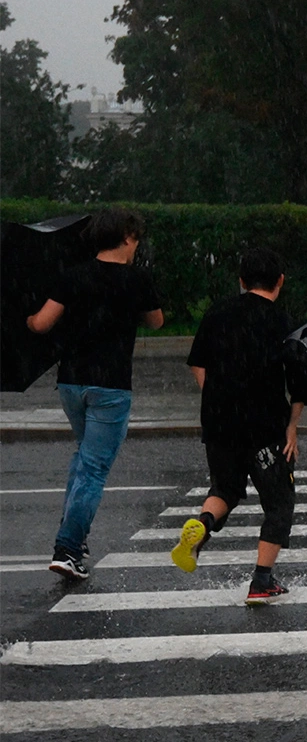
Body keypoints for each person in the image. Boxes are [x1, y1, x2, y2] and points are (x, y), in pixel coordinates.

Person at [171, 247, 307, 605]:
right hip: (266, 428)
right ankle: (262, 580)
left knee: (225, 489)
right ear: (281, 282)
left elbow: (198, 364)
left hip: (220, 422)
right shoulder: (285, 323)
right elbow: (302, 380)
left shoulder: (217, 313)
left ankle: (204, 524)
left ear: (241, 281)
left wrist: (218, 398)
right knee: (278, 503)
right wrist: (292, 427)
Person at [27, 208, 163, 580]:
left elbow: (41, 323)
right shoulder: (137, 279)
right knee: (94, 468)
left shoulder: (73, 276)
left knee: (84, 459)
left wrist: (22, 320)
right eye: (135, 239)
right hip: (111, 385)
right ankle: (67, 548)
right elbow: (157, 320)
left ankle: (76, 535)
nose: (136, 246)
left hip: (71, 382)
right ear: (126, 238)